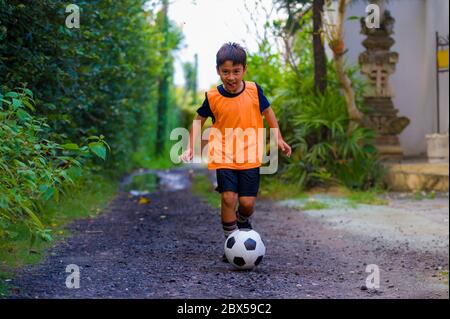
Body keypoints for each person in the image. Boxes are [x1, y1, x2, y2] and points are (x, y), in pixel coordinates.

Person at [180, 42, 291, 261]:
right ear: (218, 71)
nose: (231, 77)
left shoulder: (253, 90)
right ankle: (230, 243)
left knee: (247, 203)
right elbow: (198, 121)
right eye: (226, 72)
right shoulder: (212, 97)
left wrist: (277, 136)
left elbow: (268, 112)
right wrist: (190, 146)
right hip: (224, 154)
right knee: (229, 197)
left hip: (250, 154)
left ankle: (242, 221)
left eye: (236, 72)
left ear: (244, 70)